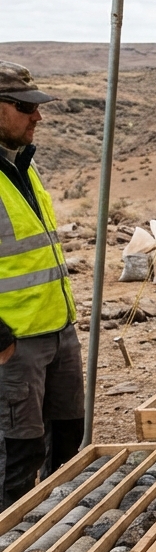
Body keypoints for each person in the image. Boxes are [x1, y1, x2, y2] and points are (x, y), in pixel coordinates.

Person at [0, 60, 82, 509]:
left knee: (68, 439)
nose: (37, 116)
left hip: (58, 332)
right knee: (18, 455)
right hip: (16, 346)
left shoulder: (23, 167)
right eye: (24, 106)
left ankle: (56, 532)